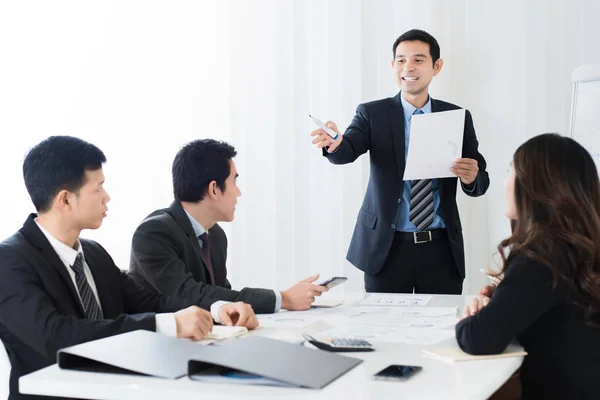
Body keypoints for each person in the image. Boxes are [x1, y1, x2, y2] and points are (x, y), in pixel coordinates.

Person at [0, 136, 258, 400]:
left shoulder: (94, 254)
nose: (107, 197)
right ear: (65, 200)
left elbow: (149, 302)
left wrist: (215, 310)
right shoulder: (10, 261)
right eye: (98, 188)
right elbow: (56, 335)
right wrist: (167, 324)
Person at [310, 29, 489, 294]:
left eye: (418, 60)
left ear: (436, 66)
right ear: (393, 65)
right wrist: (335, 146)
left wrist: (472, 177)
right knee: (383, 329)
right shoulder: (372, 113)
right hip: (387, 248)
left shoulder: (455, 116)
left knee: (438, 328)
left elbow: (480, 179)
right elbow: (347, 149)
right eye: (401, 60)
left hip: (440, 249)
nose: (409, 67)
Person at [456, 134, 600, 399]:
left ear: (533, 187)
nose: (505, 182)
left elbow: (477, 338)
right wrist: (502, 297)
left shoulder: (542, 256)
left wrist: (471, 316)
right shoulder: (579, 246)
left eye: (509, 171)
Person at [128, 139, 328, 313]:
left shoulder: (214, 235)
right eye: (234, 182)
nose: (238, 192)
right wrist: (282, 298)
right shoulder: (153, 233)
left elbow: (220, 295)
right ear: (214, 189)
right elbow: (189, 295)